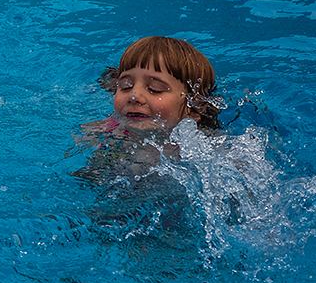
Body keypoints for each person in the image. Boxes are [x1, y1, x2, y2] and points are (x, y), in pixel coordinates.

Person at [73, 35, 221, 183]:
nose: (134, 96)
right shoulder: (105, 131)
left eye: (154, 89)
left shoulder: (206, 150)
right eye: (126, 86)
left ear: (194, 108)